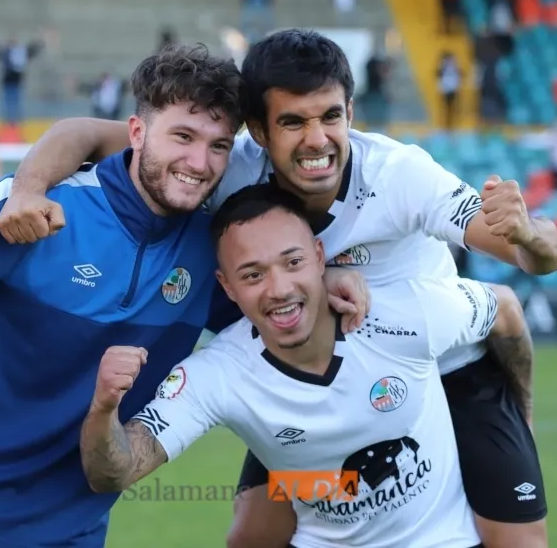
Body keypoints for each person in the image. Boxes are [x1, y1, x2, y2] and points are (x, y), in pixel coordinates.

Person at [0, 29, 557, 548]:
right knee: (250, 535)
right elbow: (83, 133)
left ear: (351, 112)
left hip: (447, 365)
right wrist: (27, 190)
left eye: (330, 116)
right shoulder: (229, 169)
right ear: (260, 132)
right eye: (293, 122)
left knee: (517, 542)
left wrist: (527, 235)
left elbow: (531, 258)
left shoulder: (400, 175)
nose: (317, 139)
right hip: (307, 377)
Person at [0, 44, 366, 548]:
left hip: (74, 531)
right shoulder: (42, 208)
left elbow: (280, 327)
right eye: (182, 136)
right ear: (136, 131)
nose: (200, 162)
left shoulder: (212, 254)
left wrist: (329, 278)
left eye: (218, 145)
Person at [81, 184, 531, 548]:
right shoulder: (217, 375)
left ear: (319, 256)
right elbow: (113, 473)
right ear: (227, 287)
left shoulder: (405, 314)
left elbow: (505, 308)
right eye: (253, 275)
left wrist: (521, 413)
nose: (278, 289)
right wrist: (103, 409)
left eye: (292, 262)